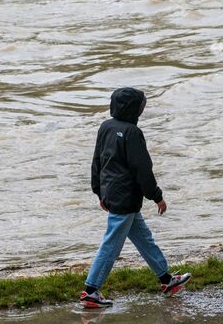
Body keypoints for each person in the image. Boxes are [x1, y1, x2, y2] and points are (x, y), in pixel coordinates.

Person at [80, 87, 192, 308]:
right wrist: (157, 196)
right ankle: (91, 291)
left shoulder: (105, 127)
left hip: (112, 194)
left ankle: (166, 280)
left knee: (143, 239)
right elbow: (143, 169)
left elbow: (97, 162)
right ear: (134, 109)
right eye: (141, 105)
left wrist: (99, 191)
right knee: (111, 245)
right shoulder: (132, 133)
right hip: (126, 198)